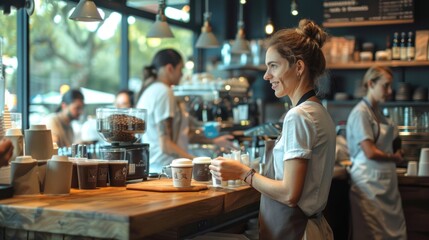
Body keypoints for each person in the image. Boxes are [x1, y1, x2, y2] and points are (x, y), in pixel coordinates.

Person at [210, 19, 336, 240]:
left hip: (296, 231)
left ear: (298, 67)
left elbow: (289, 193)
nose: (266, 75)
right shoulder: (319, 112)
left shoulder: (299, 116)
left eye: (273, 66)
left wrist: (243, 172)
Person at [136, 49, 235, 174]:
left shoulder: (151, 91)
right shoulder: (163, 92)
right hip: (166, 169)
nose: (182, 75)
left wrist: (213, 141)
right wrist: (197, 161)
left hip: (157, 167)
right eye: (180, 69)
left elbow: (183, 134)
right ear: (169, 68)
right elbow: (166, 145)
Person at [346, 66, 407, 239]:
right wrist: (393, 157)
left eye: (390, 87)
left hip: (384, 184)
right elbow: (370, 152)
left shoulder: (377, 112)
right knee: (372, 234)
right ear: (371, 83)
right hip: (368, 185)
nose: (389, 91)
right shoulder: (360, 113)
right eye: (385, 86)